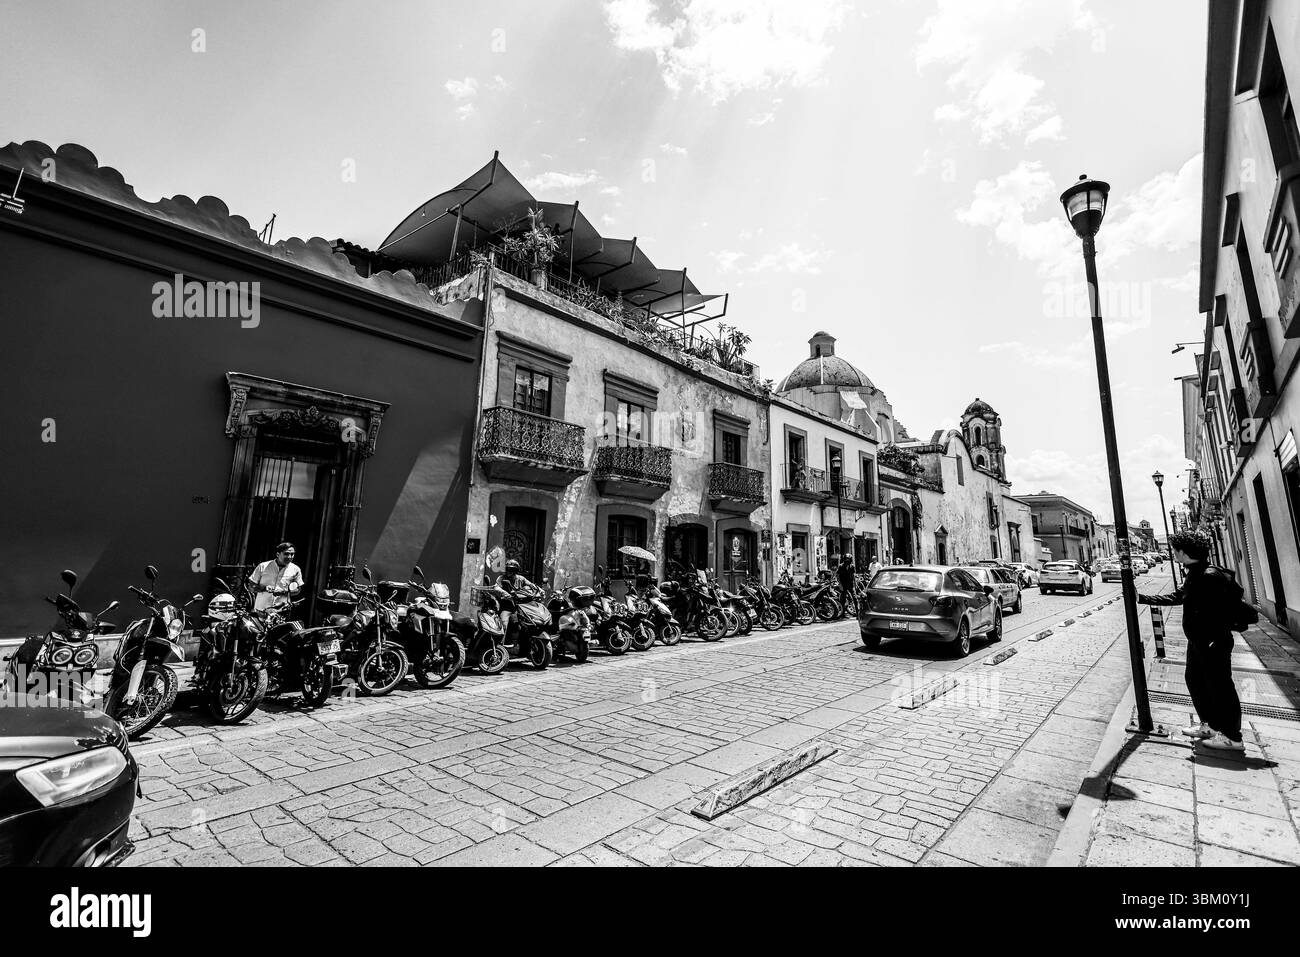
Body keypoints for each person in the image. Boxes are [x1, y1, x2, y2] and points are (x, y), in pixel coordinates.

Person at [1137, 530, 1248, 751]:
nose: (1174, 553)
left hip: (1212, 642)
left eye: (1176, 550)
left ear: (1184, 552)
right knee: (1195, 681)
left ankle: (1233, 737)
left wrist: (1213, 638)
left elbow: (1218, 611)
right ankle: (1210, 726)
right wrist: (1141, 598)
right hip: (1198, 641)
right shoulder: (1196, 573)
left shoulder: (1209, 576)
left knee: (1220, 687)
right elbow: (1179, 597)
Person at [247, 542, 304, 613]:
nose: (290, 557)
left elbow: (297, 590)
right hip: (261, 609)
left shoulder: (296, 569)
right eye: (286, 554)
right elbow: (251, 587)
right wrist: (264, 588)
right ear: (278, 554)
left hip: (281, 611)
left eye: (292, 554)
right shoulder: (263, 566)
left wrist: (283, 592)